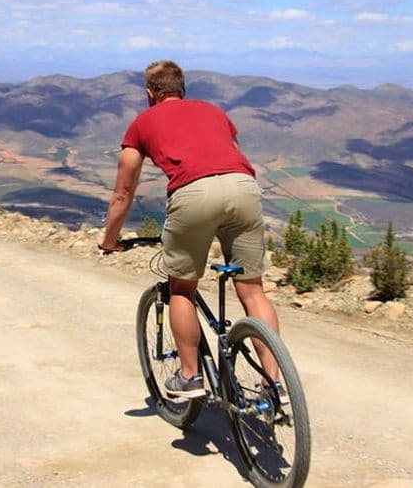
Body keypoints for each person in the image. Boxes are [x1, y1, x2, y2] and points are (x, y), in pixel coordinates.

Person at [99, 60, 280, 399]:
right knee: (253, 290)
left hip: (194, 193)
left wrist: (109, 239)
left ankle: (190, 376)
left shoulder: (142, 123)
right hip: (244, 186)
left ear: (150, 93)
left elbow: (123, 192)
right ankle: (275, 382)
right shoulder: (213, 111)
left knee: (181, 288)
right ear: (183, 90)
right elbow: (232, 155)